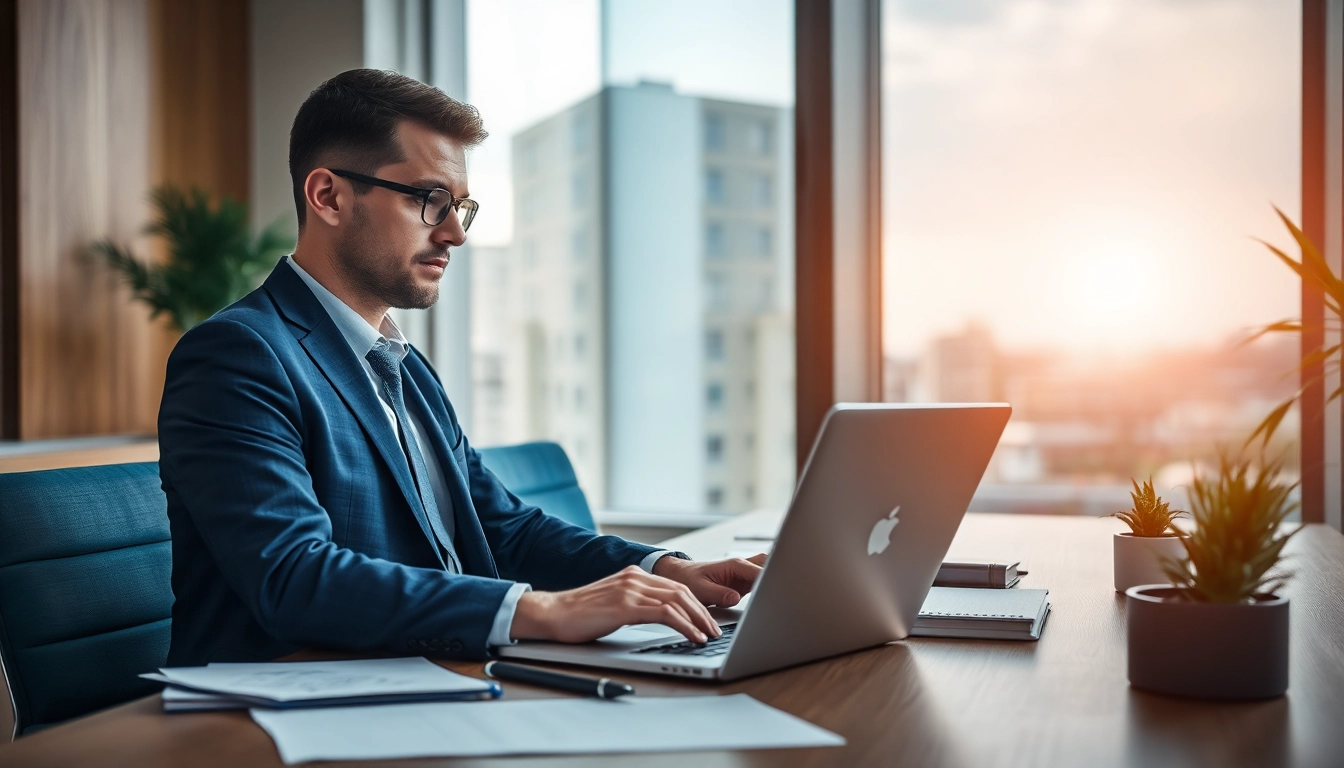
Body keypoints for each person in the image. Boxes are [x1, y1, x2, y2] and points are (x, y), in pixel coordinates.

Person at [159, 69, 765, 666]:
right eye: (429, 200)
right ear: (329, 197)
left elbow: (504, 527)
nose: (455, 232)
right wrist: (543, 611)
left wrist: (664, 569)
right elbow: (293, 575)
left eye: (460, 207)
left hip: (431, 678)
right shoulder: (237, 355)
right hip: (281, 702)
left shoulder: (406, 368)